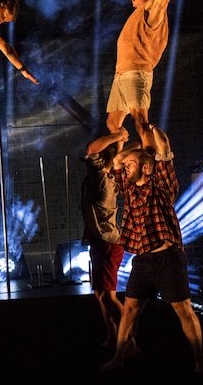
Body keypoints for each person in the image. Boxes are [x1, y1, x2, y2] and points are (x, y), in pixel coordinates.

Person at [100, 125, 203, 374]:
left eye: (132, 164)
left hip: (167, 258)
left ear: (145, 168)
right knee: (129, 309)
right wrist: (136, 146)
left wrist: (150, 131)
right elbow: (117, 159)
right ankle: (119, 356)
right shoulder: (128, 188)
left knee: (183, 309)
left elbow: (164, 148)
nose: (126, 167)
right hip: (143, 261)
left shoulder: (161, 185)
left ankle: (200, 360)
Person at [106, 0, 203, 148]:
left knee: (140, 122)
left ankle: (150, 164)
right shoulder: (143, 10)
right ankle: (120, 164)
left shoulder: (154, 9)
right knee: (113, 124)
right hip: (121, 74)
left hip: (136, 72)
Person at [80, 128, 131, 349]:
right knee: (100, 296)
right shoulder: (109, 176)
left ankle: (130, 343)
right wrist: (119, 142)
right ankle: (112, 338)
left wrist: (118, 136)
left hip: (108, 243)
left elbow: (91, 149)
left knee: (109, 298)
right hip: (100, 242)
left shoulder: (102, 179)